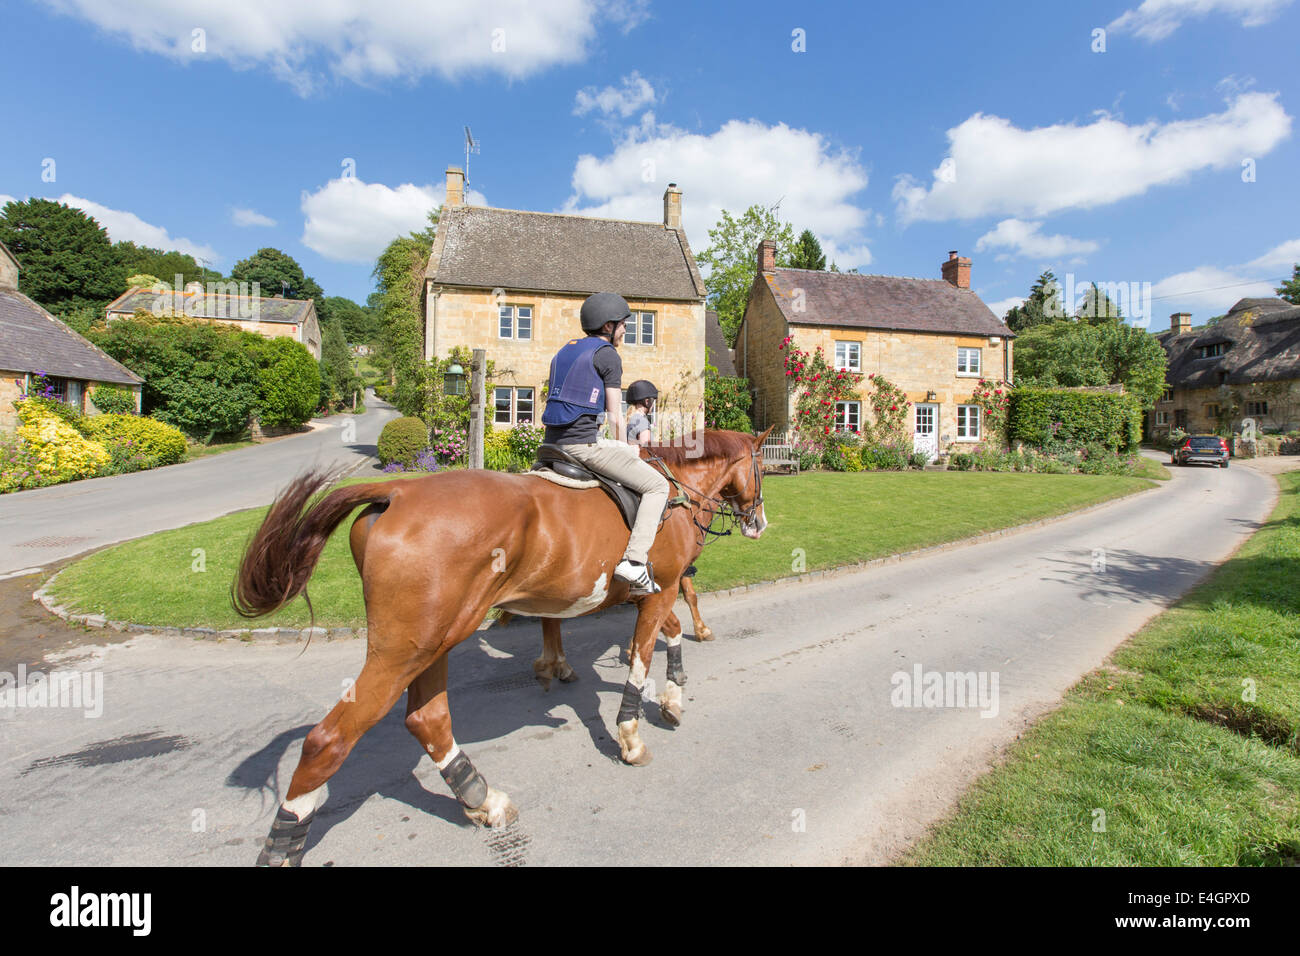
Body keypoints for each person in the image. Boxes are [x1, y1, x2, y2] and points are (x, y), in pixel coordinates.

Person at [541, 293, 670, 596]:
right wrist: (625, 445)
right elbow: (614, 414)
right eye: (624, 324)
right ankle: (635, 561)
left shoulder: (563, 351)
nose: (626, 330)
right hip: (583, 446)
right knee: (657, 486)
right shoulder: (608, 354)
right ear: (609, 325)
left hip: (551, 444)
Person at [624, 379, 657, 445]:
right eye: (653, 402)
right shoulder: (641, 421)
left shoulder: (632, 418)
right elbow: (646, 450)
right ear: (647, 402)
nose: (653, 405)